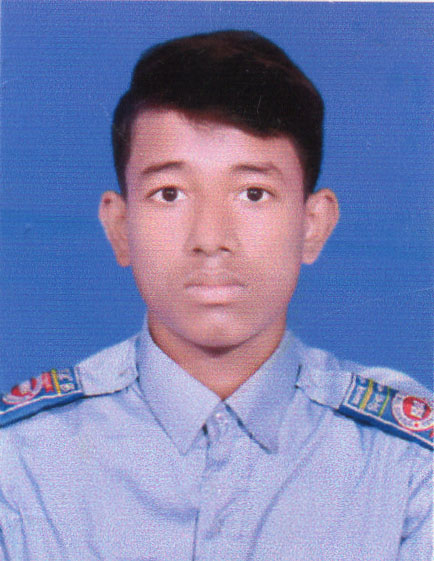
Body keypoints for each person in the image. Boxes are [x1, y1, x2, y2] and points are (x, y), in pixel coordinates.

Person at [0, 30, 432, 561]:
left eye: (253, 193)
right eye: (169, 194)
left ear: (312, 224)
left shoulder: (405, 467)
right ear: (119, 226)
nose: (210, 238)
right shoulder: (22, 464)